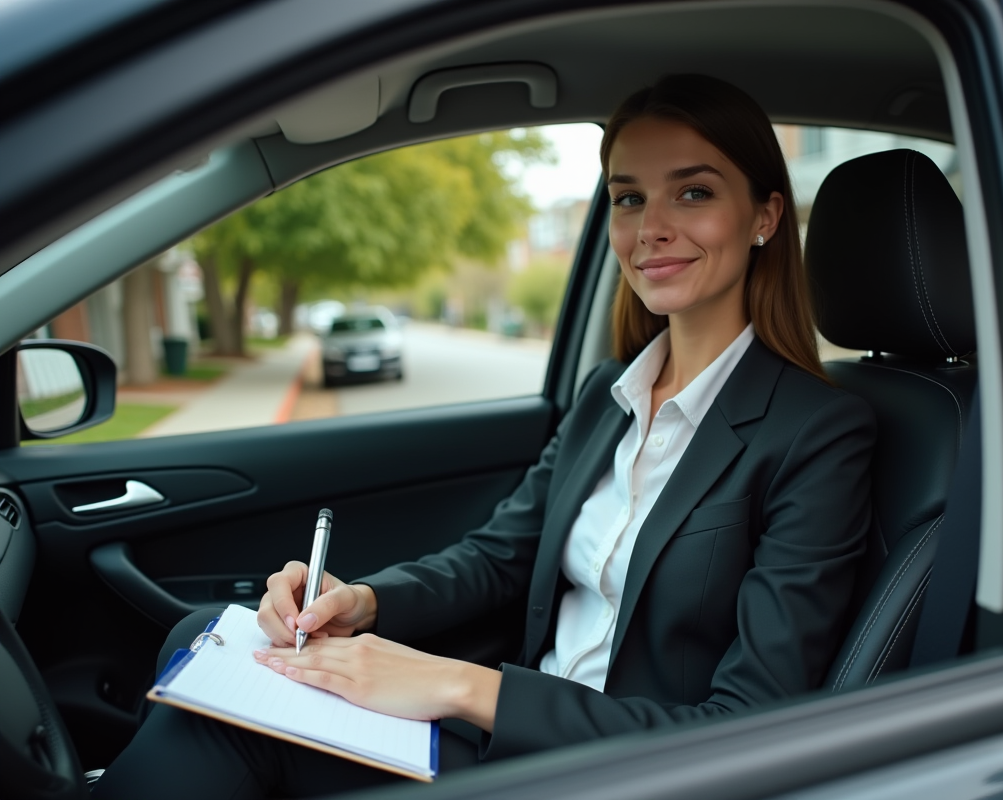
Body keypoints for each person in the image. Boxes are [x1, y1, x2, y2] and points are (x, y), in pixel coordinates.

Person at [95, 74, 877, 799]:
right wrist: (360, 603)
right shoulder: (609, 396)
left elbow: (746, 725)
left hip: (619, 770)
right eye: (629, 198)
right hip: (510, 735)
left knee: (226, 722)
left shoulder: (817, 433)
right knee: (208, 639)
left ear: (767, 215)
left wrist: (456, 686)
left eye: (694, 192)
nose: (653, 229)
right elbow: (501, 556)